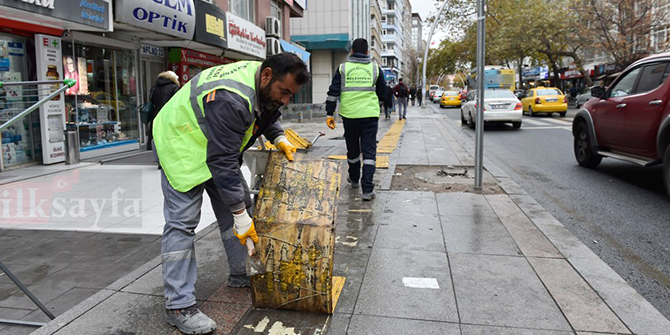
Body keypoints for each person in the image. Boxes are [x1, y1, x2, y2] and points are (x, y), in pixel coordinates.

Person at [152, 53, 309, 335]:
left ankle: (240, 274)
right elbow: (222, 160)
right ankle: (178, 305)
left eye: (291, 95)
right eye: (284, 92)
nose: (286, 99)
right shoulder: (230, 98)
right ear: (267, 76)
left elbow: (265, 111)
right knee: (183, 223)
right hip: (181, 143)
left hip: (213, 143)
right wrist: (238, 214)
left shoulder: (261, 81)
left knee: (239, 208)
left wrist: (279, 137)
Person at [325, 38, 386, 201]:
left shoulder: (343, 68)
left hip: (350, 116)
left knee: (352, 149)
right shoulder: (375, 68)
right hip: (370, 116)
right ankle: (367, 190)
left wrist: (329, 113)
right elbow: (383, 93)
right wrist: (375, 105)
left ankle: (354, 179)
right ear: (367, 52)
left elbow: (333, 92)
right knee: (369, 151)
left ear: (352, 51)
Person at [147, 71, 180, 151]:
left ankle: (153, 149)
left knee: (155, 133)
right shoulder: (174, 87)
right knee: (168, 133)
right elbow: (177, 101)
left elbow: (151, 99)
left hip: (156, 113)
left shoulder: (155, 87)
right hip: (169, 113)